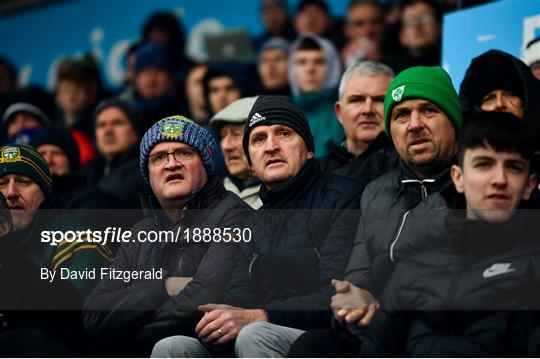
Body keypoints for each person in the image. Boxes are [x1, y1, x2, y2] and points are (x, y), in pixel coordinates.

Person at [151, 95, 364, 358]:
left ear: (309, 150)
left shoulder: (344, 197)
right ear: (251, 164)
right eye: (258, 139)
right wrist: (221, 321)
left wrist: (262, 315)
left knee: (255, 334)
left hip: (320, 337)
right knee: (173, 347)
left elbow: (336, 295)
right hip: (258, 331)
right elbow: (239, 296)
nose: (271, 146)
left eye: (283, 133)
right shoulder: (252, 221)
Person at [289, 66, 463, 357]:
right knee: (311, 347)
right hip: (381, 333)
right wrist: (353, 305)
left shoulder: (478, 183)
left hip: (445, 332)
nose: (414, 124)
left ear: (454, 120)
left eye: (429, 110)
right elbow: (355, 283)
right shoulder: (375, 192)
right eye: (401, 115)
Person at [362, 112, 540, 357]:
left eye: (513, 167)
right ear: (458, 178)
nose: (499, 179)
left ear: (530, 185)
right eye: (484, 164)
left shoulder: (534, 266)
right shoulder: (413, 269)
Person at [83, 116, 250, 355]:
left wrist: (127, 329)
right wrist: (164, 286)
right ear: (148, 175)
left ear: (206, 164)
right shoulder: (138, 234)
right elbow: (93, 315)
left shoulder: (235, 216)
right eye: (158, 157)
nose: (171, 164)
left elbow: (205, 300)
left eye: (184, 153)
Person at [0, 144, 111, 298]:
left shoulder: (77, 243)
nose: (11, 193)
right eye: (2, 184)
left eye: (24, 182)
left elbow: (70, 318)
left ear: (45, 193)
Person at [318, 60, 397, 182]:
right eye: (356, 100)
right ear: (339, 112)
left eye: (380, 100)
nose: (367, 109)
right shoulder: (316, 174)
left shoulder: (412, 167)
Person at [459, 49, 540, 154]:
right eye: (489, 99)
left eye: (511, 95)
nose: (499, 104)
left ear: (526, 104)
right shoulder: (463, 162)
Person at [30, 127, 116, 210]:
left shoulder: (95, 200)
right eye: (42, 153)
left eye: (57, 153)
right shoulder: (22, 200)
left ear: (71, 161)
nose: (48, 160)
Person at [84, 99, 147, 209]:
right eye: (101, 125)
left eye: (117, 123)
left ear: (135, 131)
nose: (108, 130)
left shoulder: (145, 169)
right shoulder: (88, 171)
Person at [289, 33, 343, 157]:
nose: (310, 69)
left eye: (319, 62)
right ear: (292, 69)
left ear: (333, 67)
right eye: (302, 62)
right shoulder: (282, 114)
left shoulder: (345, 112)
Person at [210, 97, 263, 209]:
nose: (226, 146)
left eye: (236, 134)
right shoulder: (210, 197)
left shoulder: (284, 196)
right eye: (223, 136)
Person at [119, 41, 181, 132]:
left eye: (158, 72)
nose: (151, 79)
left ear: (170, 78)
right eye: (146, 72)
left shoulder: (186, 108)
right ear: (136, 78)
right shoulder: (121, 111)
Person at [341, 0, 386, 66]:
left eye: (375, 22)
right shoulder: (332, 60)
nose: (368, 29)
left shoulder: (401, 59)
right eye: (360, 23)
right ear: (347, 30)